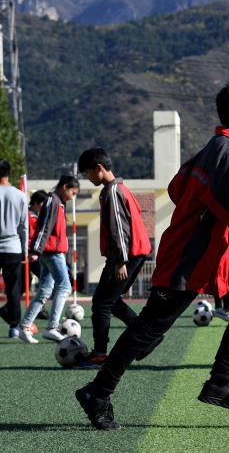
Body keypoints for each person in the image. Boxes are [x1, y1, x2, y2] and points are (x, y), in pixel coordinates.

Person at [76, 80, 229, 430]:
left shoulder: (220, 147)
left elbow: (179, 185)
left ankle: (218, 384)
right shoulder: (228, 148)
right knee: (148, 330)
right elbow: (227, 192)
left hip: (216, 253)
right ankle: (97, 392)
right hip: (190, 253)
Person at [76, 148, 153, 368]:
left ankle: (100, 355)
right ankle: (147, 339)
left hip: (126, 256)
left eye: (87, 173)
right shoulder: (121, 188)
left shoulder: (112, 191)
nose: (87, 178)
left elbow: (119, 229)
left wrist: (120, 261)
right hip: (134, 253)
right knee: (111, 301)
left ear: (99, 169)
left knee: (101, 303)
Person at [19, 175, 79, 343]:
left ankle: (24, 327)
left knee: (45, 290)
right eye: (73, 192)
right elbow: (44, 227)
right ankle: (52, 327)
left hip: (51, 251)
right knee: (65, 287)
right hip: (51, 252)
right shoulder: (53, 201)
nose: (72, 197)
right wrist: (35, 250)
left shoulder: (58, 203)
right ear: (65, 186)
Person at [0, 159, 29, 339]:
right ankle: (14, 327)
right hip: (13, 247)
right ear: (8, 173)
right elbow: (24, 226)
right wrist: (25, 251)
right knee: (14, 290)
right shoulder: (19, 195)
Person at [27, 190, 50, 320]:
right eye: (43, 203)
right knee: (41, 277)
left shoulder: (41, 215)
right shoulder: (26, 215)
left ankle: (39, 308)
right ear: (36, 203)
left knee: (45, 278)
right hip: (28, 252)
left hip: (38, 252)